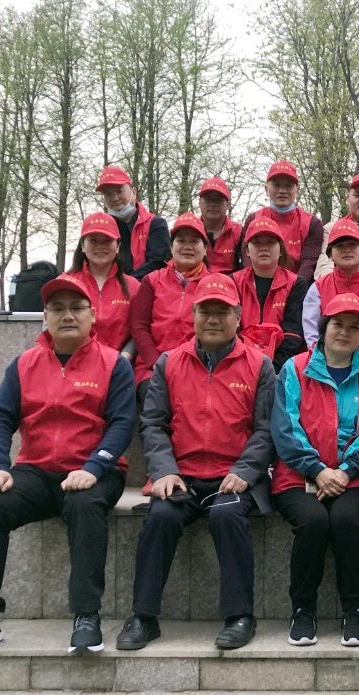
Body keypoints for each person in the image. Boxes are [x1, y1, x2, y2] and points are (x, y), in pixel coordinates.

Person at [0, 275, 134, 656]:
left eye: (76, 308)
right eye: (57, 309)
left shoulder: (114, 364)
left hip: (96, 470)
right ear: (45, 316)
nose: (67, 316)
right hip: (37, 470)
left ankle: (86, 615)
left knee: (84, 504)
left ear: (93, 315)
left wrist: (93, 468)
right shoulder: (24, 364)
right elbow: (0, 418)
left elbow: (122, 423)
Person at [116, 275, 276, 651]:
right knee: (161, 516)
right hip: (182, 474)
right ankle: (143, 616)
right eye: (206, 311)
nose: (213, 319)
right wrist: (164, 470)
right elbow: (153, 423)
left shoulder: (260, 365)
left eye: (223, 311)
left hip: (234, 476)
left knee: (227, 515)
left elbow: (267, 429)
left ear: (238, 316)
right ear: (193, 315)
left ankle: (240, 616)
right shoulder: (169, 363)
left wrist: (244, 471)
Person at [271, 293, 359, 647]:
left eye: (354, 327)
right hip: (297, 475)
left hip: (352, 476)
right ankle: (303, 610)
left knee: (347, 521)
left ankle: (355, 610)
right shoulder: (295, 369)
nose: (345, 332)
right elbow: (285, 426)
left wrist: (345, 471)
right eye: (338, 324)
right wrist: (318, 470)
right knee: (313, 522)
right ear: (323, 328)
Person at [129, 212, 210, 389]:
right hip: (152, 368)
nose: (187, 246)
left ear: (205, 249)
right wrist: (155, 363)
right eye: (181, 241)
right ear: (171, 247)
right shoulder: (151, 280)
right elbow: (139, 326)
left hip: (199, 367)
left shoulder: (214, 284)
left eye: (194, 241)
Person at [301, 218, 359, 353]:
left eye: (353, 244)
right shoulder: (317, 288)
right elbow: (312, 335)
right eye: (340, 246)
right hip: (322, 361)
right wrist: (324, 360)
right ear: (330, 254)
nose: (347, 250)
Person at [231, 217, 307, 369]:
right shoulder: (233, 281)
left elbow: (293, 334)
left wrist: (271, 368)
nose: (264, 248)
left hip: (282, 365)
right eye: (257, 243)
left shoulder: (296, 284)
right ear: (247, 250)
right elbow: (232, 329)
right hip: (238, 363)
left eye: (270, 243)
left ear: (281, 250)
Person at [67, 212, 140, 358]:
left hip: (118, 365)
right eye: (93, 241)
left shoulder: (134, 287)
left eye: (107, 240)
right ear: (82, 245)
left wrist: (124, 358)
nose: (100, 246)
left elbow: (139, 329)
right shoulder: (66, 283)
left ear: (118, 246)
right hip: (74, 363)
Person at [243, 160, 325, 284]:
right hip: (257, 283)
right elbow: (247, 257)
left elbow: (309, 262)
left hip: (296, 286)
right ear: (266, 189)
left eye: (288, 186)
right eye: (276, 185)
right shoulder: (253, 219)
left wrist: (294, 287)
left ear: (297, 189)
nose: (282, 190)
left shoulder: (312, 223)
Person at [95, 165, 170, 279]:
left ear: (133, 192)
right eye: (108, 194)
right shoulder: (99, 230)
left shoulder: (156, 224)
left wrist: (127, 284)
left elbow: (158, 262)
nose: (114, 198)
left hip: (146, 288)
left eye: (119, 191)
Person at [198, 176, 243, 274]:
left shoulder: (239, 233)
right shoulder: (189, 230)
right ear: (199, 203)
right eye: (208, 199)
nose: (213, 204)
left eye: (218, 200)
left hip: (231, 282)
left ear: (228, 205)